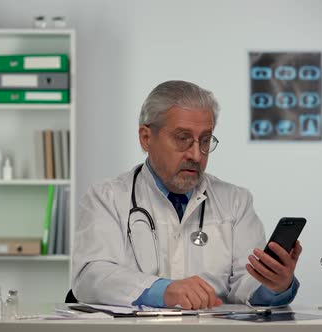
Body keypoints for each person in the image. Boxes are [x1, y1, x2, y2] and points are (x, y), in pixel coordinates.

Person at [71, 80, 302, 309]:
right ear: (146, 138)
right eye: (182, 138)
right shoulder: (107, 198)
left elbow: (246, 282)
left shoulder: (236, 202)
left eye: (204, 140)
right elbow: (91, 276)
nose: (196, 154)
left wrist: (275, 285)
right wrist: (162, 290)